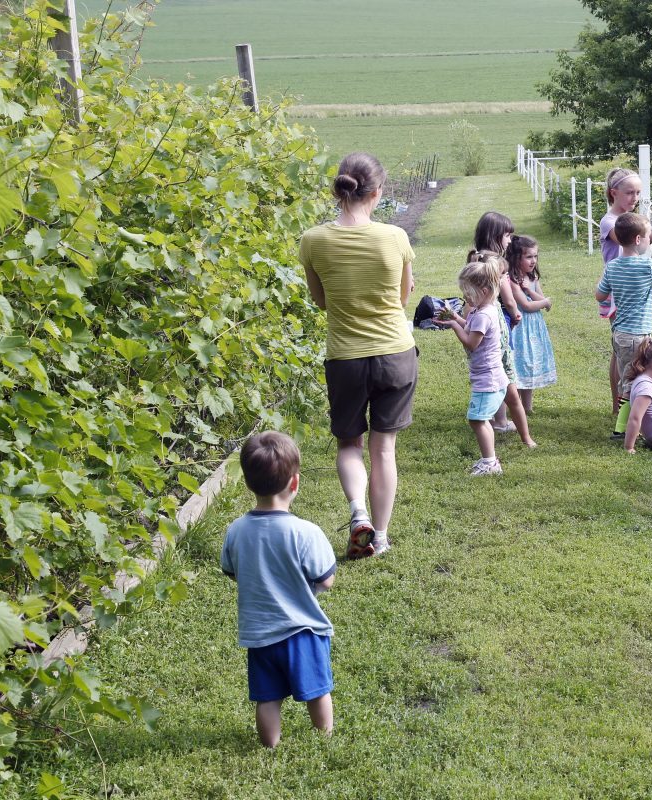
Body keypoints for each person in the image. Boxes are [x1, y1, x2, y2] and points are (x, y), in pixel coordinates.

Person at [301, 152, 416, 559]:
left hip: (345, 359)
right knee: (384, 450)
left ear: (339, 188)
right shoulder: (395, 238)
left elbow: (321, 301)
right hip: (395, 354)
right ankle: (380, 537)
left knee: (350, 444)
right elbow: (402, 299)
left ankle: (358, 513)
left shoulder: (313, 241)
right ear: (378, 192)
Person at [220, 432, 336, 748]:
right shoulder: (306, 532)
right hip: (303, 631)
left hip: (260, 634)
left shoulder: (236, 530)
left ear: (248, 483)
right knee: (317, 691)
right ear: (294, 483)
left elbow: (232, 571)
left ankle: (270, 746)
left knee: (267, 697)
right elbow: (326, 579)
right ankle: (324, 739)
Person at [595, 211, 652, 439]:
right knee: (634, 380)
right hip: (639, 336)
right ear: (638, 239)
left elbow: (600, 295)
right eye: (648, 237)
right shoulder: (649, 266)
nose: (649, 241)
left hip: (619, 334)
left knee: (626, 377)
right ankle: (622, 429)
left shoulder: (612, 266)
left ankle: (627, 422)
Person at [435, 257, 512, 475]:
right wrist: (456, 317)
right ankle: (489, 460)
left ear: (484, 291)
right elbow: (470, 326)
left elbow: (471, 342)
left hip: (487, 379)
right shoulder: (484, 310)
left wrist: (453, 325)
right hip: (493, 376)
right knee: (479, 419)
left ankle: (490, 462)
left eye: (468, 294)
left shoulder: (483, 315)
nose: (466, 298)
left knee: (477, 419)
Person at [469, 212, 530, 439]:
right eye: (507, 236)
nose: (510, 240)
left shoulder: (475, 257)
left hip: (478, 319)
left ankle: (497, 417)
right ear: (496, 236)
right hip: (497, 321)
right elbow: (509, 299)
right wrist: (515, 314)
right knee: (503, 369)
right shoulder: (496, 263)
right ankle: (502, 421)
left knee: (490, 369)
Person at [598, 168, 650, 417]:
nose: (635, 198)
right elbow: (632, 243)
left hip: (629, 291)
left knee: (621, 350)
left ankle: (621, 405)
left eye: (638, 193)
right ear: (614, 193)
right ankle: (619, 405)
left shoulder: (629, 220)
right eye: (630, 192)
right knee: (623, 351)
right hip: (618, 293)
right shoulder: (610, 222)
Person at [506, 235, 557, 414]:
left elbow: (544, 303)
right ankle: (516, 406)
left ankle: (528, 407)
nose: (533, 260)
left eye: (535, 256)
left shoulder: (532, 277)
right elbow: (527, 306)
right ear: (516, 258)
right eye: (529, 257)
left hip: (534, 328)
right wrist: (544, 301)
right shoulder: (511, 280)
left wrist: (529, 289)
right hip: (520, 328)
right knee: (520, 365)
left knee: (531, 365)